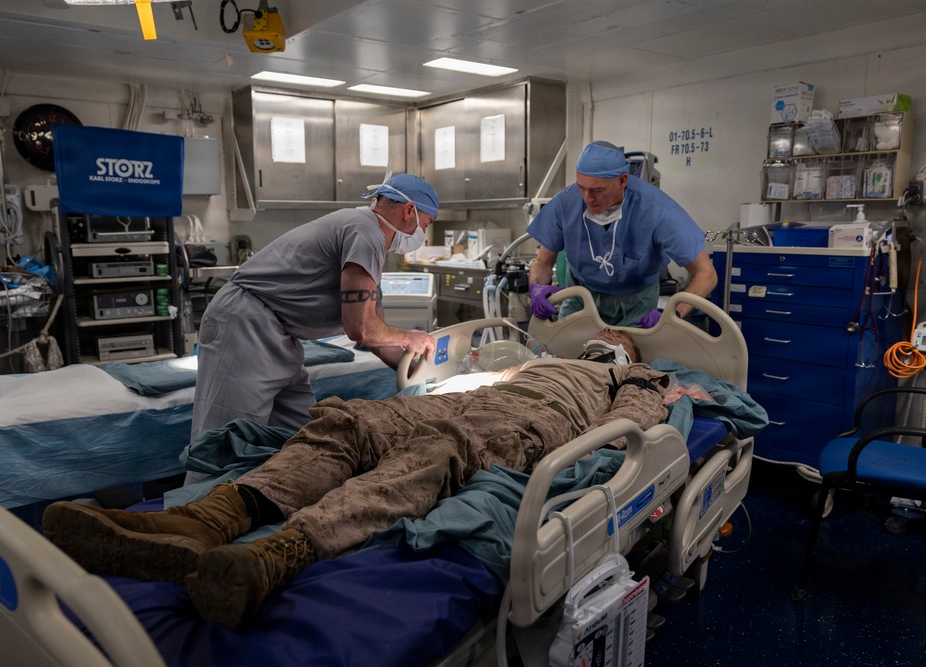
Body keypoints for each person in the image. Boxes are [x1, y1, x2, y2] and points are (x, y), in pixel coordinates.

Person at [43, 329, 669, 630]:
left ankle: (275, 556)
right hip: (468, 395)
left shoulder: (629, 377)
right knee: (352, 420)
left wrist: (646, 391)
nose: (604, 340)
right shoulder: (540, 355)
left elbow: (628, 429)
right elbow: (480, 376)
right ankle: (203, 521)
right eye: (600, 336)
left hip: (537, 419)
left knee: (439, 450)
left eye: (615, 341)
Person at [191, 174, 440, 440]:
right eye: (426, 224)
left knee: (299, 436)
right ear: (409, 210)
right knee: (226, 440)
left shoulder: (367, 240)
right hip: (244, 323)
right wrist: (410, 336)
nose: (421, 235)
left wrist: (416, 371)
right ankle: (211, 483)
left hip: (278, 333)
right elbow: (362, 329)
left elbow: (374, 336)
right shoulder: (365, 231)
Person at [527, 141, 718, 328]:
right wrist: (536, 288)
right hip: (580, 298)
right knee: (566, 354)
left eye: (597, 190)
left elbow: (706, 274)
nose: (587, 198)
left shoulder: (657, 211)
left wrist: (673, 314)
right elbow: (543, 262)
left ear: (622, 180)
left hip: (637, 306)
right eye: (581, 187)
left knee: (631, 357)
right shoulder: (565, 204)